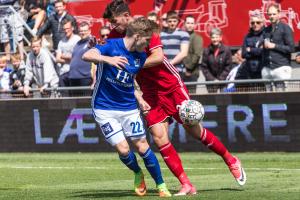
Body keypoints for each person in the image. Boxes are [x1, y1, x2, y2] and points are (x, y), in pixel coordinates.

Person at [102, 0, 246, 196]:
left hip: (170, 86)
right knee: (159, 138)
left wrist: (134, 66)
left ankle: (231, 159)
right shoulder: (113, 36)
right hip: (150, 93)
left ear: (126, 16)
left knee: (194, 130)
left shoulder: (144, 27)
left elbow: (158, 57)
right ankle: (186, 184)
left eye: (114, 21)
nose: (112, 25)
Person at [82, 17, 171, 197]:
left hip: (129, 107)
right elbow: (86, 55)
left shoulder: (140, 55)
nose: (147, 45)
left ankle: (161, 185)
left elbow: (130, 81)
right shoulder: (111, 45)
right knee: (123, 149)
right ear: (138, 36)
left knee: (143, 146)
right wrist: (108, 59)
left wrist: (139, 97)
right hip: (104, 107)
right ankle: (138, 173)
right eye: (146, 40)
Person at [262, 3, 294, 91]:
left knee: (280, 98)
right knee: (267, 98)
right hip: (267, 67)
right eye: (269, 14)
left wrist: (274, 46)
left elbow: (291, 48)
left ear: (279, 14)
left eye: (274, 14)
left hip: (281, 67)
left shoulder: (285, 28)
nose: (272, 16)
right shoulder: (266, 29)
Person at [201, 28, 232, 93]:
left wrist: (219, 80)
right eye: (213, 37)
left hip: (223, 82)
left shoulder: (227, 50)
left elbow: (228, 67)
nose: (215, 39)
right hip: (210, 82)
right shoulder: (206, 51)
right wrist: (213, 80)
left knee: (223, 101)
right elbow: (204, 67)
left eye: (217, 37)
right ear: (210, 38)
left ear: (220, 38)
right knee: (212, 101)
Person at [160, 10, 189, 78]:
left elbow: (184, 53)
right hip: (163, 70)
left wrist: (169, 64)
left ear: (178, 21)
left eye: (174, 21)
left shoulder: (184, 34)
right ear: (166, 21)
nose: (172, 23)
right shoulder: (161, 35)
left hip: (178, 70)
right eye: (170, 21)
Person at [68, 22, 94, 90]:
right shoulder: (78, 43)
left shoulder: (92, 41)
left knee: (85, 100)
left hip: (85, 78)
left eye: (85, 31)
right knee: (74, 100)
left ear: (89, 31)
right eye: (81, 31)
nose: (82, 33)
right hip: (73, 77)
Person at [56, 19, 80, 88]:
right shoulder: (61, 42)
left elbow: (77, 57)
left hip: (74, 72)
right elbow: (57, 59)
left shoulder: (77, 39)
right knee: (65, 97)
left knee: (74, 96)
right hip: (63, 73)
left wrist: (63, 56)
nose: (66, 31)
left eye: (68, 28)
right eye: (64, 29)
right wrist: (70, 59)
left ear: (72, 28)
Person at [183, 15, 203, 93]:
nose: (190, 25)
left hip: (191, 72)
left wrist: (188, 69)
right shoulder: (181, 36)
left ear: (195, 25)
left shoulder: (197, 38)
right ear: (184, 24)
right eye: (188, 23)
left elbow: (197, 55)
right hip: (180, 71)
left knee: (191, 96)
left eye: (192, 23)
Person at [241, 12, 265, 80]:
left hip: (262, 70)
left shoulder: (265, 35)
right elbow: (244, 54)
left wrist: (251, 50)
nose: (255, 24)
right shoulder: (247, 36)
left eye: (258, 22)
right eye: (253, 23)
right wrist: (258, 50)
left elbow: (264, 52)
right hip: (249, 71)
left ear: (262, 23)